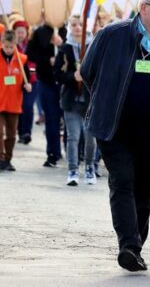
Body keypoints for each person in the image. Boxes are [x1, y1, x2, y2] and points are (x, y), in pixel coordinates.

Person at [80, 0, 150, 272]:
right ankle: (129, 245)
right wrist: (106, 101)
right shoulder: (112, 35)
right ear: (144, 8)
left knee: (144, 189)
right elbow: (88, 71)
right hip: (115, 127)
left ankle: (136, 246)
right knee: (122, 180)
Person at [54, 15, 97, 186]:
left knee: (90, 138)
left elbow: (100, 73)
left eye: (81, 24)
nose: (78, 27)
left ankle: (89, 168)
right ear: (69, 27)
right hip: (71, 100)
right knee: (73, 137)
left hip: (89, 101)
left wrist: (86, 78)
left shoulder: (93, 47)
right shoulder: (65, 49)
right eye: (74, 25)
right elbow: (56, 74)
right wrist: (73, 76)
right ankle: (72, 170)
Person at [0, 31, 31, 172]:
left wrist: (27, 86)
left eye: (11, 47)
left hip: (14, 102)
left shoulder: (22, 59)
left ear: (15, 45)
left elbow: (27, 79)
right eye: (6, 47)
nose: (9, 50)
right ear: (1, 44)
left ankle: (8, 159)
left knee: (11, 134)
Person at [26, 23, 66, 167]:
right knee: (51, 119)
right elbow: (29, 53)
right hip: (47, 81)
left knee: (69, 119)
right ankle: (53, 153)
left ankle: (73, 152)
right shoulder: (40, 32)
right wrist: (47, 59)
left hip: (66, 84)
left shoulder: (67, 29)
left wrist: (61, 46)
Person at [12, 20, 35, 145]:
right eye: (18, 32)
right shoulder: (12, 45)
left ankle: (27, 132)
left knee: (28, 105)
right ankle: (20, 132)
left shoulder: (31, 45)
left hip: (31, 80)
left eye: (22, 32)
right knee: (18, 106)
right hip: (15, 80)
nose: (20, 35)